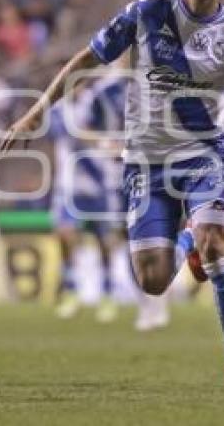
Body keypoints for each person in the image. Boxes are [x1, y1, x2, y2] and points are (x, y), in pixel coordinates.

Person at [1, 0, 224, 389]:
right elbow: (85, 61)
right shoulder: (145, 14)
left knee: (216, 242)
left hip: (205, 155)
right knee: (152, 280)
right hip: (145, 162)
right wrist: (36, 113)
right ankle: (187, 245)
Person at [50, 73, 170, 330]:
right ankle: (71, 289)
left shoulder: (93, 102)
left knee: (106, 241)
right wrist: (106, 142)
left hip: (99, 182)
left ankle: (107, 293)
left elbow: (100, 131)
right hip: (68, 184)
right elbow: (74, 135)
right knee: (65, 234)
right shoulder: (60, 110)